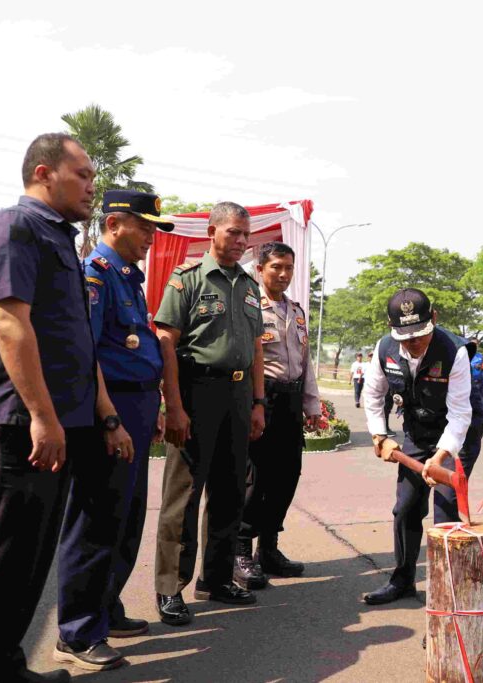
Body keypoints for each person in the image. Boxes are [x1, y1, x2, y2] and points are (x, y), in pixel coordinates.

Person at [0, 132, 101, 683]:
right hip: (15, 420)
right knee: (4, 556)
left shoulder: (56, 236)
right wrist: (42, 416)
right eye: (82, 174)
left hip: (48, 421)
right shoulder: (14, 227)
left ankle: (3, 667)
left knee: (29, 560)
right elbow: (10, 324)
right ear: (43, 172)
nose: (92, 185)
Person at [55, 191, 174, 671]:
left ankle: (105, 607)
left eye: (153, 229)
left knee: (125, 518)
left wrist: (155, 403)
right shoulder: (96, 274)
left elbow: (136, 347)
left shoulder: (128, 277)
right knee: (96, 521)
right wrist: (110, 419)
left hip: (138, 406)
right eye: (144, 227)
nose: (150, 237)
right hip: (112, 410)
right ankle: (77, 632)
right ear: (114, 224)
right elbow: (86, 354)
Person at [154, 202, 267, 626]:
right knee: (183, 495)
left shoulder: (249, 285)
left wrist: (257, 403)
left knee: (229, 491)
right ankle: (170, 586)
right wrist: (174, 405)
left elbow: (256, 348)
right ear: (211, 232)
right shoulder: (188, 279)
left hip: (239, 395)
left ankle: (216, 579)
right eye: (233, 232)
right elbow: (166, 342)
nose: (241, 241)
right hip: (197, 392)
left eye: (246, 234)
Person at [361, 289, 482, 605]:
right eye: (405, 336)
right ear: (391, 327)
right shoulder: (384, 349)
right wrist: (379, 435)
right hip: (417, 429)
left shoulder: (454, 351)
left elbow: (460, 415)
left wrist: (439, 458)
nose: (413, 342)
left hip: (457, 434)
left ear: (434, 318)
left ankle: (449, 593)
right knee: (406, 506)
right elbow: (373, 395)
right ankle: (402, 579)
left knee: (446, 509)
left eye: (420, 333)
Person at [234, 242, 321, 590]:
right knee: (255, 478)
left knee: (287, 475)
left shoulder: (296, 312)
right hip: (262, 399)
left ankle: (268, 549)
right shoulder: (249, 306)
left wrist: (312, 405)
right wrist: (251, 403)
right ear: (260, 269)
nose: (283, 274)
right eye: (276, 267)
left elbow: (305, 361)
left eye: (289, 268)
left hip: (291, 400)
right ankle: (241, 550)